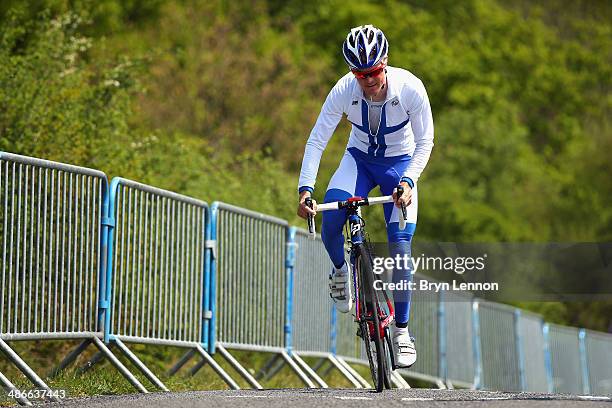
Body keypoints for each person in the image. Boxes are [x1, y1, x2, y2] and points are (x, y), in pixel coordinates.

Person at [296, 25, 434, 368]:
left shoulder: (410, 89)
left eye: (373, 72)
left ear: (384, 63)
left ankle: (401, 331)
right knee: (330, 217)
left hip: (398, 166)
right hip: (358, 161)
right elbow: (317, 140)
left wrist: (409, 182)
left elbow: (425, 142)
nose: (368, 80)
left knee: (401, 247)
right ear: (351, 71)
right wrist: (305, 189)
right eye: (360, 74)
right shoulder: (344, 90)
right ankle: (341, 270)